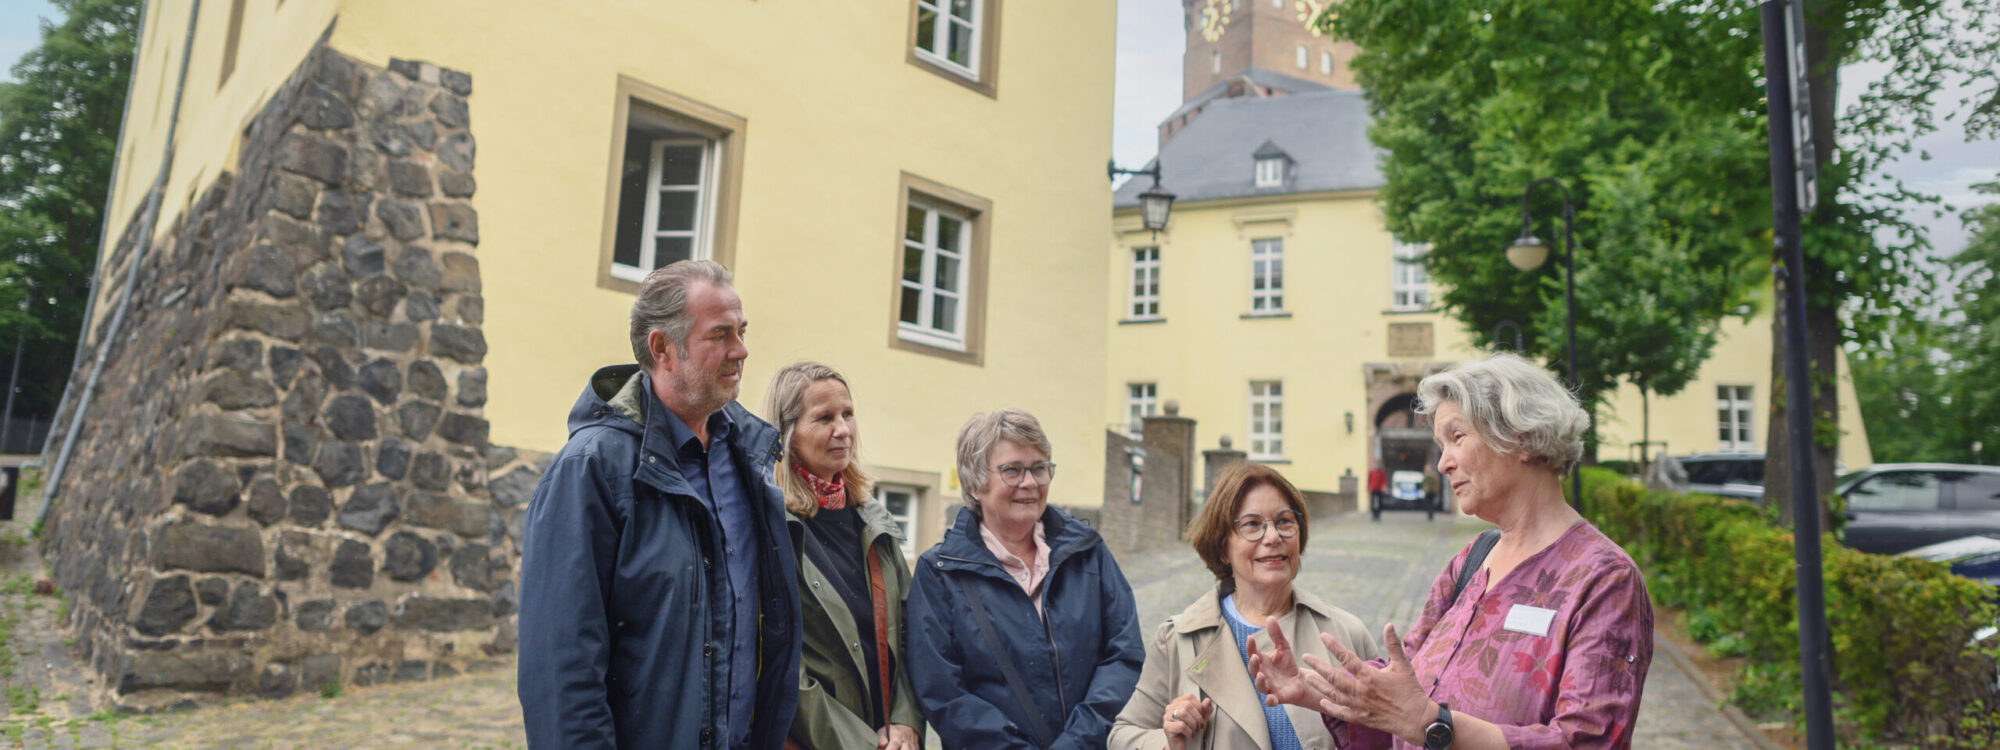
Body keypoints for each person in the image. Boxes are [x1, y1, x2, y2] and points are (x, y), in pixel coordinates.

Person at [1248, 352, 1653, 749]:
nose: (1443, 464)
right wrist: (1315, 689)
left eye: (1457, 437)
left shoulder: (1604, 578)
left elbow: (1586, 741)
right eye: (1441, 445)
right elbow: (1401, 686)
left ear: (1521, 437)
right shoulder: (1472, 559)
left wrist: (1433, 726)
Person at [517, 260, 801, 749]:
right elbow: (561, 671)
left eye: (742, 331)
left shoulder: (748, 459)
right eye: (720, 335)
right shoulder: (591, 470)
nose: (741, 351)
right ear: (662, 348)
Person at [906, 408, 1145, 749]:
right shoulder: (940, 573)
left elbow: (1124, 655)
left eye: (1039, 468)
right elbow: (943, 692)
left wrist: (1077, 743)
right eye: (1012, 470)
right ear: (975, 483)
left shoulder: (1087, 552)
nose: (1030, 482)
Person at [1110, 462, 1380, 750]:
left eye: (1285, 521)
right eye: (1252, 524)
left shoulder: (1346, 633)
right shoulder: (1178, 639)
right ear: (1223, 546)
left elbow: (1390, 735)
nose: (1273, 537)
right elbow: (1122, 735)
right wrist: (1166, 742)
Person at [763, 362, 924, 750]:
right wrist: (861, 744)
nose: (843, 430)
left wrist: (905, 723)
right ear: (787, 434)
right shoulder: (770, 529)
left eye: (847, 414)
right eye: (824, 418)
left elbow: (913, 634)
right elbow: (778, 665)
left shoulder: (873, 523)